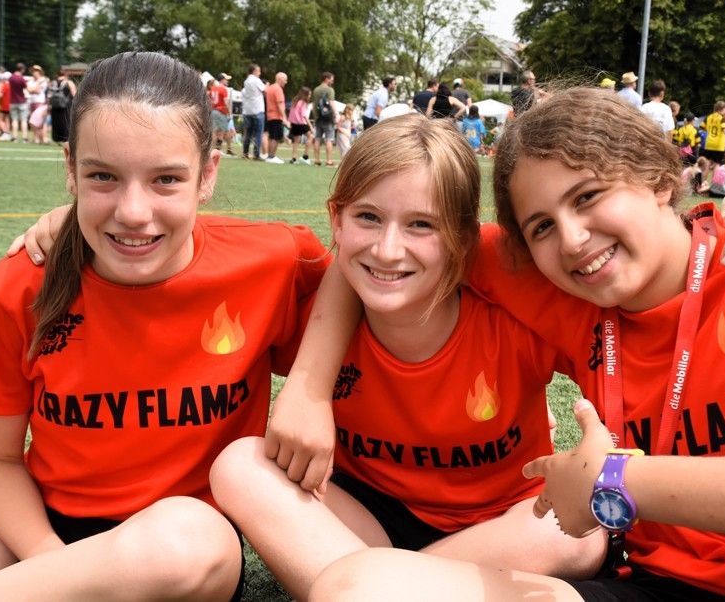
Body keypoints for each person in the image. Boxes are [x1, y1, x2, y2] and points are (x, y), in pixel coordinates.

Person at [306, 86, 725, 602]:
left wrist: (616, 481)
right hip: (643, 583)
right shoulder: (569, 289)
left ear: (659, 178)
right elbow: (379, 255)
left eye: (588, 197)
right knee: (358, 587)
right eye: (541, 227)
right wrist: (308, 390)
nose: (573, 240)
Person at [0, 51, 328, 601]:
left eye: (166, 179)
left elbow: (362, 287)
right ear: (70, 169)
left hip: (182, 552)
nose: (133, 211)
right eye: (103, 177)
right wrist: (53, 563)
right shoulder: (18, 284)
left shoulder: (272, 260)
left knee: (189, 536)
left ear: (208, 174)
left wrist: (310, 391)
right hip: (40, 530)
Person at [210, 113, 606, 602]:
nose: (387, 249)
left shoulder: (514, 323)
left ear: (464, 239)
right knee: (241, 467)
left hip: (500, 528)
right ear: (336, 220)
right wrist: (307, 390)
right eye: (368, 217)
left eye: (421, 224)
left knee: (577, 538)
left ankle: (371, 587)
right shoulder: (317, 321)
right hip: (363, 519)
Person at [241, 63, 267, 160]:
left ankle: (245, 153)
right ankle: (256, 154)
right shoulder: (256, 80)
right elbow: (265, 90)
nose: (259, 73)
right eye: (258, 71)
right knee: (258, 133)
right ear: (254, 71)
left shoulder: (246, 81)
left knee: (248, 133)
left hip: (248, 110)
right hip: (257, 109)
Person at [312, 71, 337, 167]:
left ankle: (317, 160)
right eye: (331, 79)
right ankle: (329, 160)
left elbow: (314, 104)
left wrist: (315, 115)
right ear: (327, 79)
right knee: (329, 139)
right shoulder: (330, 90)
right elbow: (331, 102)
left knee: (317, 139)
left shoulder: (316, 90)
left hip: (318, 117)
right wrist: (335, 114)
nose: (332, 81)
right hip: (328, 118)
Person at [263, 71, 289, 164]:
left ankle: (270, 156)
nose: (286, 82)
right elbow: (280, 104)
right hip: (276, 116)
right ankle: (271, 156)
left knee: (271, 136)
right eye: (285, 80)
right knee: (276, 137)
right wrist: (284, 118)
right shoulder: (278, 89)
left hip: (269, 115)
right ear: (280, 79)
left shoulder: (269, 88)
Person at [48, 69, 76, 144]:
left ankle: (57, 139)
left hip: (55, 105)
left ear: (57, 74)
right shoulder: (69, 82)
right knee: (66, 122)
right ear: (66, 75)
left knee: (56, 122)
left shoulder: (53, 82)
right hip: (66, 105)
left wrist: (49, 104)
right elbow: (74, 94)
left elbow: (49, 94)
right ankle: (66, 139)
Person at [288, 85, 314, 164]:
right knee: (311, 136)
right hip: (300, 123)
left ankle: (293, 158)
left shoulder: (295, 101)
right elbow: (304, 116)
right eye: (309, 94)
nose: (310, 96)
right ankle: (305, 156)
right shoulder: (303, 103)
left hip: (294, 123)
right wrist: (310, 126)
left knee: (296, 141)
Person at [208, 73, 231, 157]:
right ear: (222, 80)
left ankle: (212, 150)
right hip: (221, 111)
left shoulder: (213, 88)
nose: (227, 81)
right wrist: (229, 113)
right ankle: (218, 150)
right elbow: (226, 103)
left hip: (213, 110)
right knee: (222, 131)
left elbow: (209, 100)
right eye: (226, 79)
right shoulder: (223, 89)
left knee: (214, 131)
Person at [8, 63, 30, 143]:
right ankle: (24, 138)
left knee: (14, 120)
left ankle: (14, 137)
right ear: (22, 69)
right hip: (21, 101)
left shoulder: (11, 78)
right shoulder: (21, 78)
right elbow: (27, 88)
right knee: (23, 120)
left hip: (12, 101)